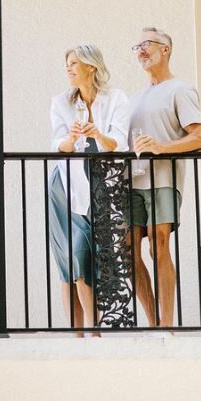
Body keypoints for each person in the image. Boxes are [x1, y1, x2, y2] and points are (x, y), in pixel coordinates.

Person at [128, 26, 201, 328]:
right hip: (132, 181)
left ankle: (167, 325)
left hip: (163, 180)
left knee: (157, 244)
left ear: (165, 49)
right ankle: (152, 323)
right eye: (137, 46)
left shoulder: (180, 89)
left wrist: (161, 147)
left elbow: (200, 137)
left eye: (147, 44)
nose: (141, 50)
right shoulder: (135, 98)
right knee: (128, 250)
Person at [48, 45, 130, 332]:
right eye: (67, 64)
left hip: (101, 184)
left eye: (73, 63)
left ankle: (94, 334)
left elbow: (119, 142)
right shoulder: (61, 102)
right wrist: (71, 140)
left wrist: (98, 135)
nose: (68, 69)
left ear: (91, 66)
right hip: (66, 185)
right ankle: (81, 337)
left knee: (89, 258)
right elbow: (57, 144)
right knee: (70, 261)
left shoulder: (115, 98)